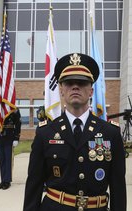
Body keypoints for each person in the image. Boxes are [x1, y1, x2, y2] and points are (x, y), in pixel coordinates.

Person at [23, 53, 126, 211]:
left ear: (91, 91)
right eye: (69, 82)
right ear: (61, 90)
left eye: (82, 82)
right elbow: (34, 184)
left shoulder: (110, 133)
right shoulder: (45, 133)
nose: (75, 86)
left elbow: (118, 186)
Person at [0, 108, 21, 190]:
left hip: (9, 137)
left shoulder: (14, 109)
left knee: (8, 160)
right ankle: (3, 180)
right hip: (0, 137)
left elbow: (18, 124)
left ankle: (7, 181)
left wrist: (16, 138)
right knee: (2, 160)